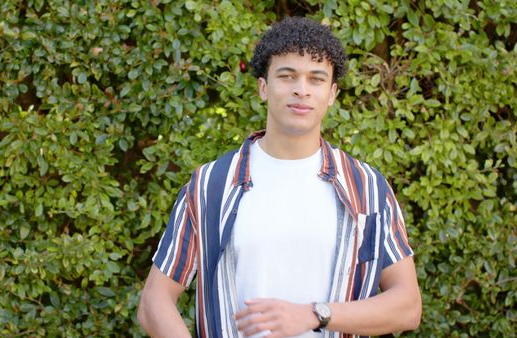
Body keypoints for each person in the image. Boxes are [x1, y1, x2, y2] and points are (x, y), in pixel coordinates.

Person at [137, 16, 422, 338]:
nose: (301, 90)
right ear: (263, 87)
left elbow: (408, 306)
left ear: (331, 94)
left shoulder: (367, 187)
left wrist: (315, 314)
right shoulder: (210, 186)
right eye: (287, 76)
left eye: (316, 79)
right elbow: (154, 302)